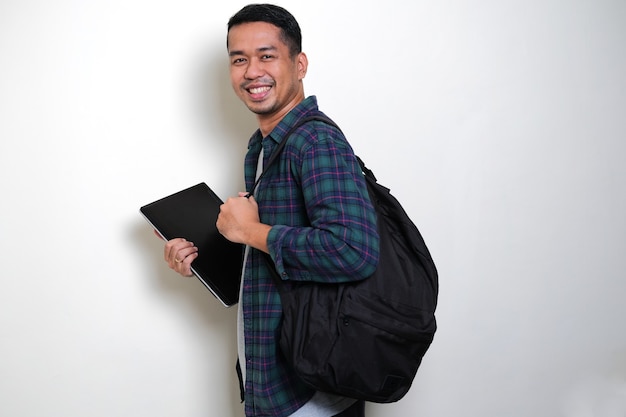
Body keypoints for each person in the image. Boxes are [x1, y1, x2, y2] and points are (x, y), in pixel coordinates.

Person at [161, 4, 379, 417]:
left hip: (311, 396)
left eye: (266, 55)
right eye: (239, 59)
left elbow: (354, 250)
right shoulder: (262, 146)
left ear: (299, 64)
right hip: (270, 382)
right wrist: (202, 259)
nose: (251, 71)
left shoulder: (314, 142)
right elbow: (269, 263)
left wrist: (249, 231)